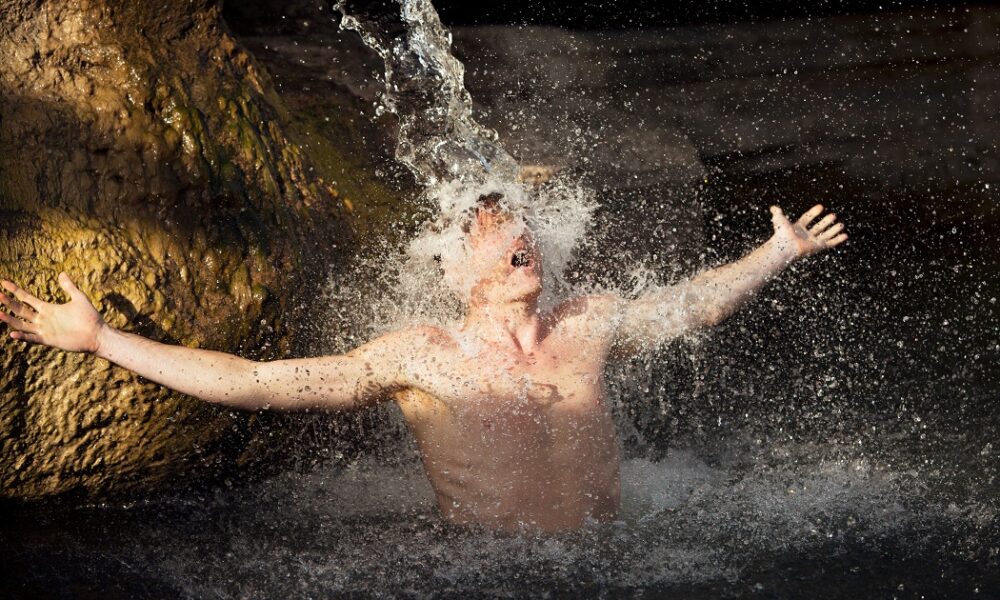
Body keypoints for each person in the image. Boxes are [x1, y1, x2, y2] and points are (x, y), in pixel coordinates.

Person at [0, 197, 846, 532]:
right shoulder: (419, 356)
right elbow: (256, 382)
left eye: (522, 224)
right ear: (457, 268)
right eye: (492, 228)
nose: (518, 233)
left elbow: (693, 304)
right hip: (487, 580)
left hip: (611, 565)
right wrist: (102, 341)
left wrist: (778, 251)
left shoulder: (591, 323)